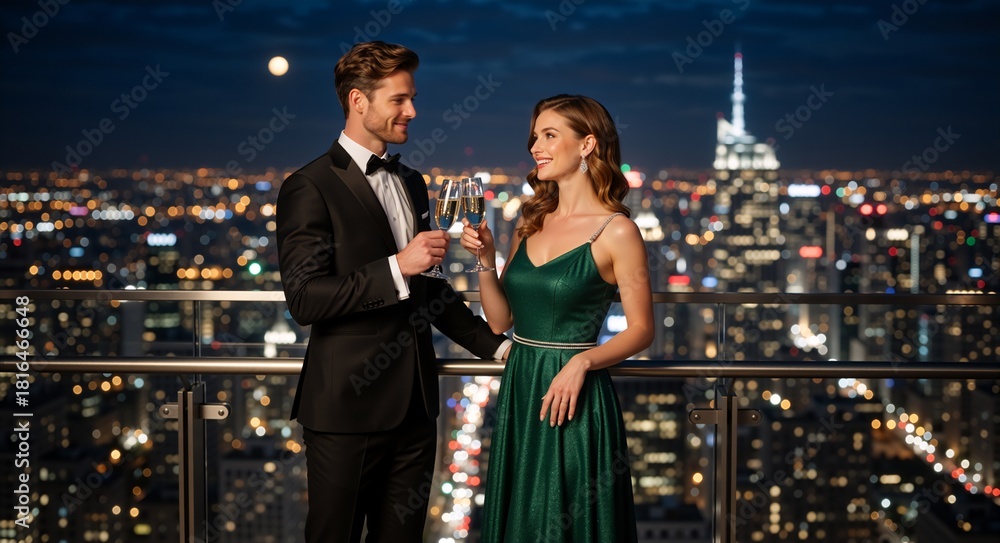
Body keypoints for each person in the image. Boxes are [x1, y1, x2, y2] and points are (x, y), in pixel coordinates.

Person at [276, 41, 511, 543]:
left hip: (416, 408)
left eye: (413, 98)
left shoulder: (411, 181)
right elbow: (305, 299)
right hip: (345, 410)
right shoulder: (308, 186)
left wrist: (497, 347)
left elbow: (426, 288)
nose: (413, 110)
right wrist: (397, 266)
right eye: (399, 100)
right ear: (359, 101)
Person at [460, 94, 654, 542]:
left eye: (550, 135)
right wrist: (486, 260)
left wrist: (583, 362)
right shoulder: (531, 219)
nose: (536, 146)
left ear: (587, 144)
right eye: (535, 136)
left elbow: (643, 329)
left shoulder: (617, 230)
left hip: (576, 394)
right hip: (522, 386)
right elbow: (499, 322)